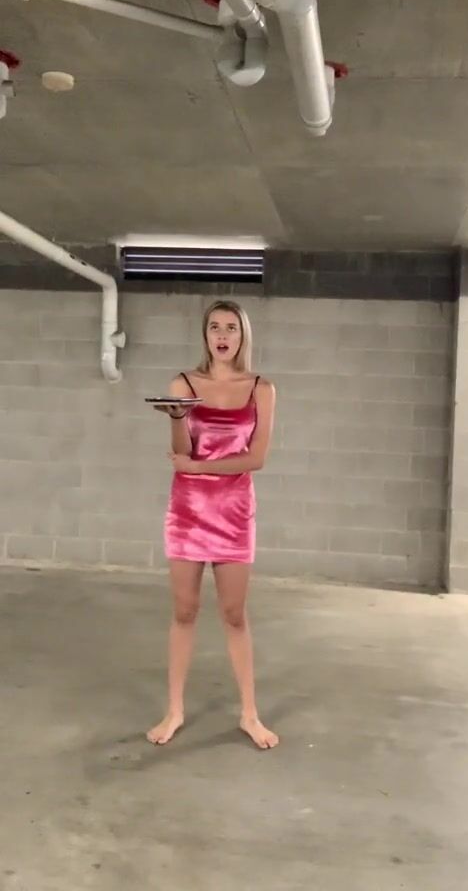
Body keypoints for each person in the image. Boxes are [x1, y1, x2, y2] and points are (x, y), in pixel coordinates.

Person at [147, 299, 279, 750]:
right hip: (187, 512)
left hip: (235, 514)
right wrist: (178, 418)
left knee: (234, 614)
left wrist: (199, 468)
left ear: (243, 336)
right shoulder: (182, 385)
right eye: (215, 328)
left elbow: (255, 459)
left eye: (231, 328)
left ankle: (250, 714)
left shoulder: (261, 388)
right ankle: (174, 710)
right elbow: (181, 452)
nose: (222, 336)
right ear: (205, 335)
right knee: (184, 612)